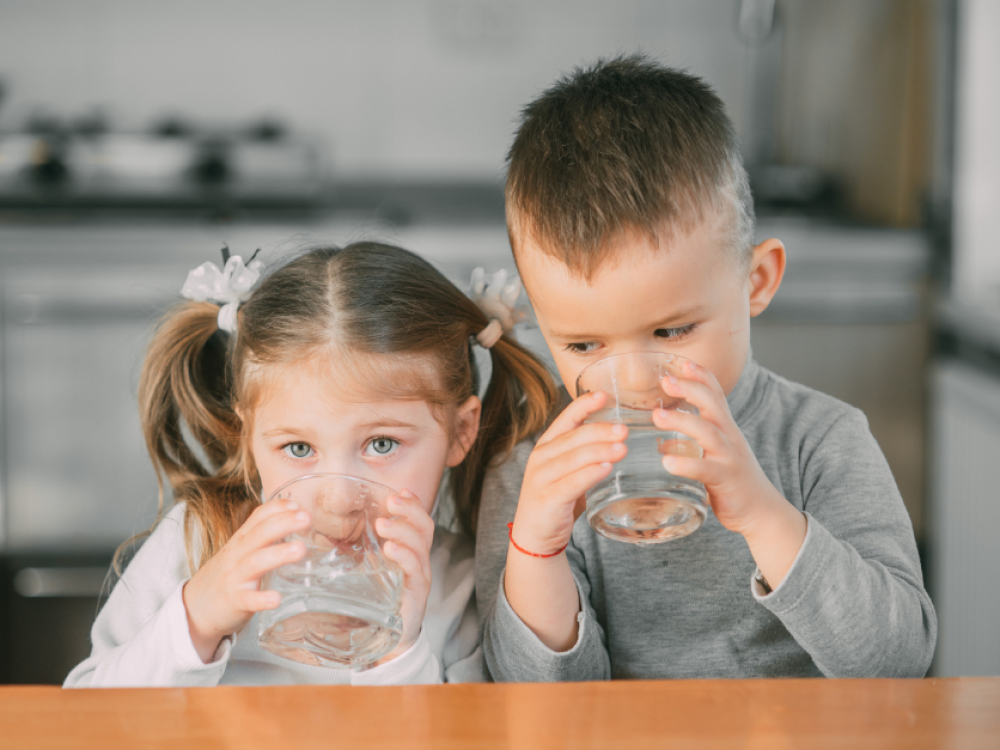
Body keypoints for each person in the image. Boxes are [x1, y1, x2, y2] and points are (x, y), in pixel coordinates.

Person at [477, 55, 937, 680]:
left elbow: (897, 663)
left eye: (671, 331)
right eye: (584, 346)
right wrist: (536, 548)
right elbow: (532, 701)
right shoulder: (534, 467)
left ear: (757, 280)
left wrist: (759, 510)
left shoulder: (821, 441)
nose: (635, 380)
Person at [65, 241, 557, 687]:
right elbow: (85, 716)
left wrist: (398, 652)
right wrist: (196, 619)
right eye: (298, 449)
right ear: (249, 437)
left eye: (382, 444)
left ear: (461, 432)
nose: (338, 500)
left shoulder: (460, 585)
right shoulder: (197, 542)